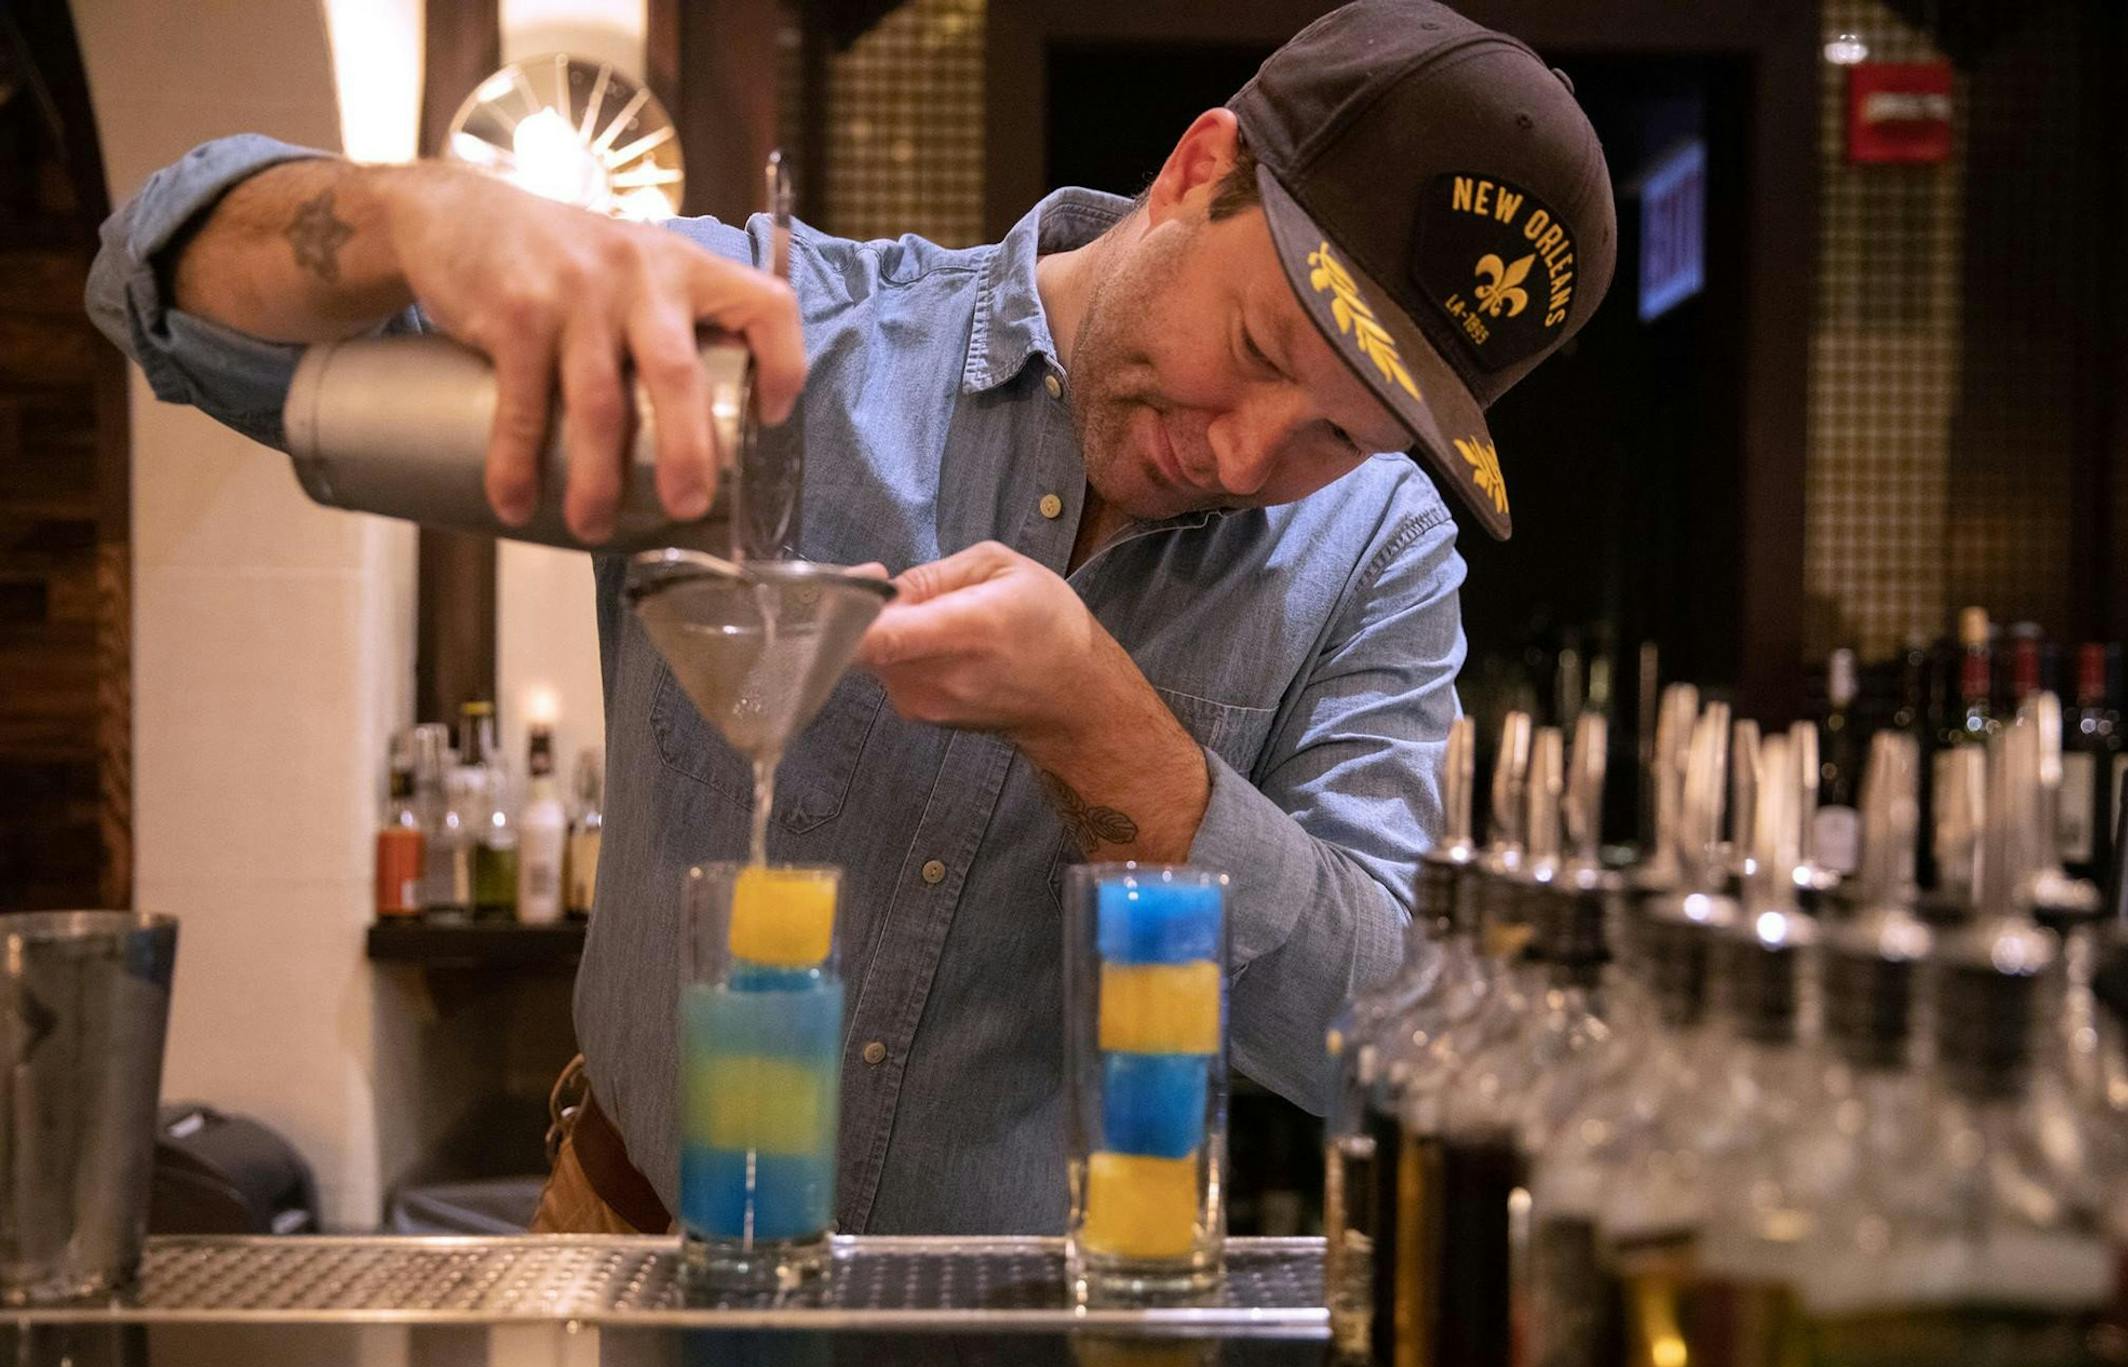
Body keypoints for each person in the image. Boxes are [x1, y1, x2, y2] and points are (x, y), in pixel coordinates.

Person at [87, 0, 1614, 1235]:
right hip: (631, 1263)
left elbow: (1395, 1050)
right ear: (1194, 168)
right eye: (1259, 344)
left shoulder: (1376, 556)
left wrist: (1106, 732)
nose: (1243, 451)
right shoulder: (771, 336)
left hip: (1037, 1351)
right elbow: (165, 309)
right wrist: (413, 218)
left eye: (1336, 436)